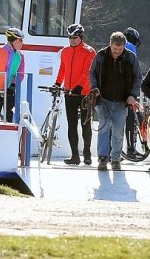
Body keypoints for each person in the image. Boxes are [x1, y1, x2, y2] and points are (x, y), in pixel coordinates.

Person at [89, 31, 141, 171]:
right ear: (110, 44)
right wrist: (94, 88)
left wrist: (133, 95)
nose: (117, 52)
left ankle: (116, 159)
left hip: (122, 101)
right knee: (103, 130)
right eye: (114, 49)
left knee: (118, 132)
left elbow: (137, 78)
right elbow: (92, 72)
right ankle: (102, 158)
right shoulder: (100, 56)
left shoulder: (131, 58)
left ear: (124, 46)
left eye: (120, 49)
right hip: (103, 100)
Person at [54, 23, 96, 166]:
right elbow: (63, 68)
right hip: (70, 93)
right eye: (70, 38)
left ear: (81, 37)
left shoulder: (89, 51)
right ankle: (74, 156)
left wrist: (79, 86)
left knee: (85, 124)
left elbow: (88, 72)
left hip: (84, 93)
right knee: (72, 125)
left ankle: (87, 154)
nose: (72, 40)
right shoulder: (65, 51)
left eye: (75, 38)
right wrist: (58, 83)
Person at [122, 26, 141, 157]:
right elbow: (134, 71)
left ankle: (112, 151)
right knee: (130, 120)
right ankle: (130, 148)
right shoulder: (131, 47)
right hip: (127, 90)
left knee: (114, 122)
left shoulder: (115, 46)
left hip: (113, 90)